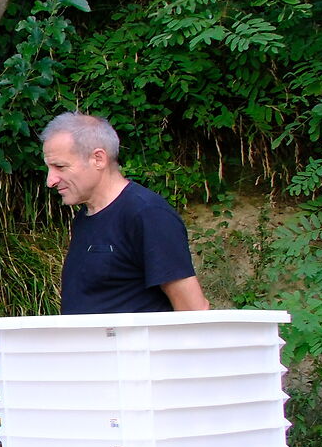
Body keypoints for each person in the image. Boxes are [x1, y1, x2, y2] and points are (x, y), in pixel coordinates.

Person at [40, 112, 208, 315]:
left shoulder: (148, 214)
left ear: (98, 159)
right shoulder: (85, 218)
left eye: (60, 167)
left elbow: (193, 311)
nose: (50, 181)